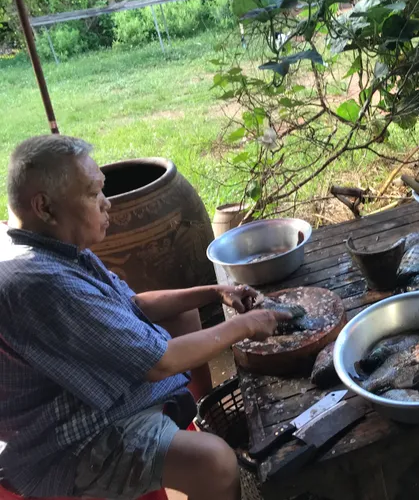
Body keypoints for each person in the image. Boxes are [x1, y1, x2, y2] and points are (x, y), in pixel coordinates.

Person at [0, 135, 290, 500]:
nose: (107, 204)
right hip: (66, 437)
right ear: (45, 207)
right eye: (93, 194)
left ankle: (193, 415)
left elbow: (133, 304)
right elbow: (160, 362)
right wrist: (244, 325)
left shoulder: (58, 250)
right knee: (214, 463)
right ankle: (192, 456)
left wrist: (214, 293)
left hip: (88, 392)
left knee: (182, 317)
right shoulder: (40, 283)